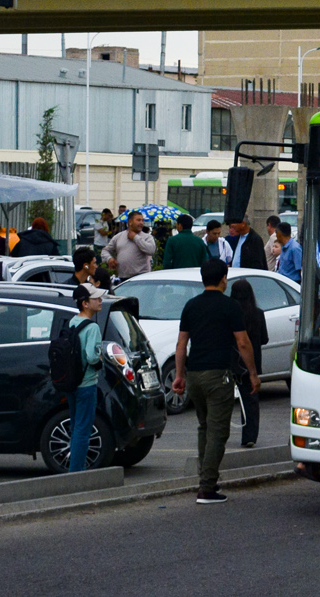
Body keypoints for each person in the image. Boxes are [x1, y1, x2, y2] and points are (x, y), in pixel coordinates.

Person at [172, 259, 260, 504]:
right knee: (218, 431)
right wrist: (253, 374)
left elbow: (181, 344)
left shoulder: (190, 306)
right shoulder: (230, 306)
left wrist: (180, 375)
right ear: (223, 278)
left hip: (195, 374)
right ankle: (207, 487)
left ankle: (205, 479)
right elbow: (243, 342)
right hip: (218, 374)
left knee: (204, 427)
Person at [66, 283, 106, 472]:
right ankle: (76, 472)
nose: (100, 301)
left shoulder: (72, 322)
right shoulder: (93, 328)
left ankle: (75, 467)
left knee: (75, 427)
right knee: (83, 429)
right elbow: (91, 356)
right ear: (85, 303)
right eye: (96, 298)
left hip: (71, 382)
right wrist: (100, 358)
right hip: (87, 383)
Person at [229, 279, 268, 448]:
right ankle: (249, 436)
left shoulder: (230, 313)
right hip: (252, 363)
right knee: (250, 400)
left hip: (231, 362)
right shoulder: (258, 313)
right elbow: (264, 339)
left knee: (223, 400)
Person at [103, 211, 155, 278]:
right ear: (130, 222)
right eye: (138, 220)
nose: (141, 223)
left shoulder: (147, 237)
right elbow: (105, 251)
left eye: (142, 220)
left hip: (141, 277)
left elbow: (151, 250)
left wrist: (135, 237)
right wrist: (109, 259)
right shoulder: (118, 237)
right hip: (123, 277)